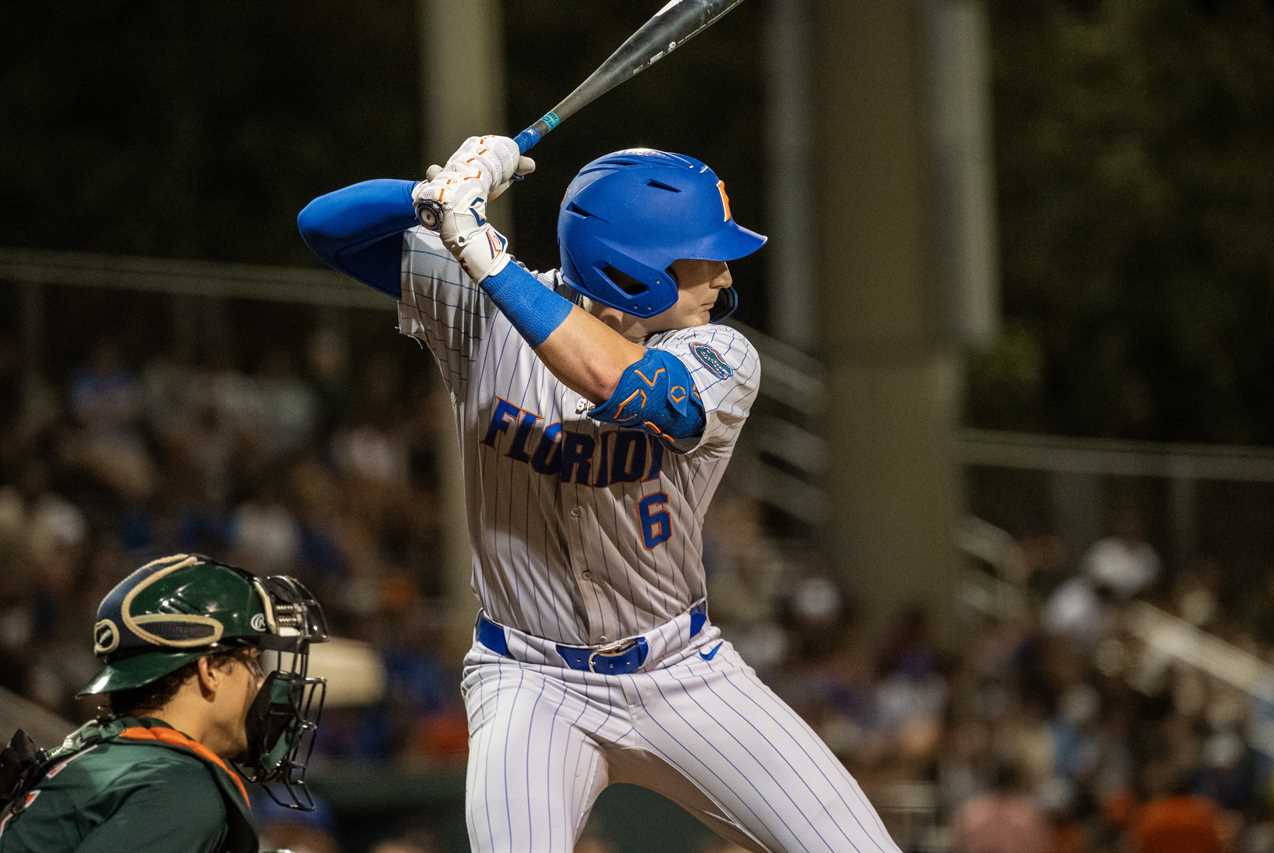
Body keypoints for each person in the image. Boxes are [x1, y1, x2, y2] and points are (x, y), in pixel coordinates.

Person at [298, 136, 899, 852]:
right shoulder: (481, 307)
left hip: (682, 670)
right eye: (700, 255)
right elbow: (323, 226)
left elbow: (625, 385)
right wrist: (432, 193)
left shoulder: (722, 354)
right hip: (528, 679)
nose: (723, 272)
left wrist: (484, 253)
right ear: (634, 265)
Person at [0, 553, 329, 852]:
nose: (260, 681)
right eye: (252, 663)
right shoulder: (176, 785)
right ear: (210, 669)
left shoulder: (101, 756)